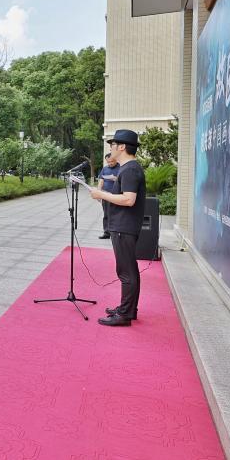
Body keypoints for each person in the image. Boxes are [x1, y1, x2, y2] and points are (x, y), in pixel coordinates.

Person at [89, 129, 146, 327]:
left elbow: (129, 200)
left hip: (124, 227)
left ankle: (124, 314)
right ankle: (128, 309)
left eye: (112, 145)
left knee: (126, 272)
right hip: (123, 226)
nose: (111, 148)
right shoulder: (128, 168)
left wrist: (101, 194)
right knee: (129, 270)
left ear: (121, 147)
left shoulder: (130, 169)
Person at [97, 152, 120, 239]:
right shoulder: (105, 168)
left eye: (112, 161)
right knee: (106, 214)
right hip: (106, 195)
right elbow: (101, 181)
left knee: (116, 214)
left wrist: (116, 179)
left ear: (115, 159)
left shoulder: (121, 168)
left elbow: (125, 180)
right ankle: (106, 233)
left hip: (116, 196)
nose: (110, 163)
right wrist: (99, 193)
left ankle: (116, 233)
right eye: (108, 162)